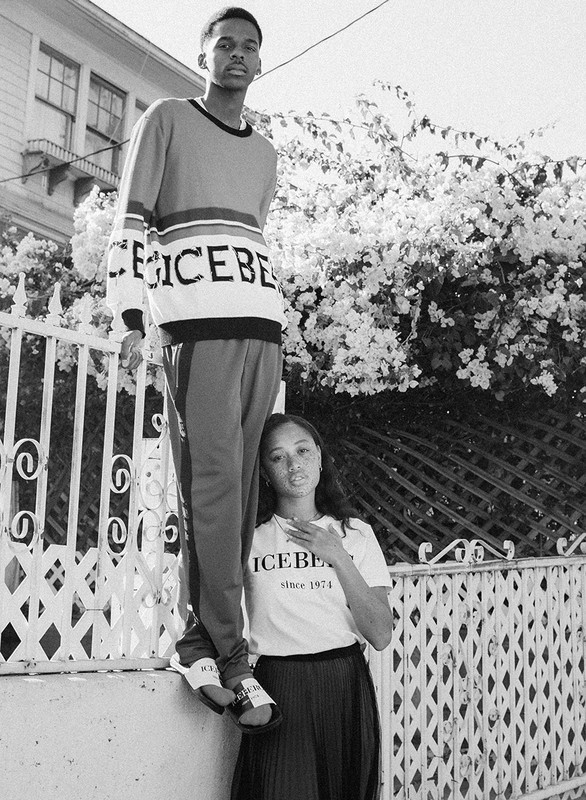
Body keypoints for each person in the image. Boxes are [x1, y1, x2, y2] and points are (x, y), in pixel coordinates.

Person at [106, 7, 286, 733]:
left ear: (260, 62)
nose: (237, 55)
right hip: (198, 330)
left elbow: (249, 236)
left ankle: (199, 643)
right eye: (225, 44)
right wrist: (130, 315)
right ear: (204, 55)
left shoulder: (266, 153)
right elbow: (132, 220)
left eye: (250, 47)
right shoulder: (168, 119)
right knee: (210, 484)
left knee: (240, 495)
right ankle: (232, 657)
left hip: (262, 330)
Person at [231, 413, 393, 800]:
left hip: (344, 683)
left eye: (303, 451)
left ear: (319, 456)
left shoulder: (355, 534)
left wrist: (337, 556)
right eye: (278, 457)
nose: (294, 464)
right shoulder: (250, 538)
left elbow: (380, 634)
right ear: (264, 471)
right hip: (278, 684)